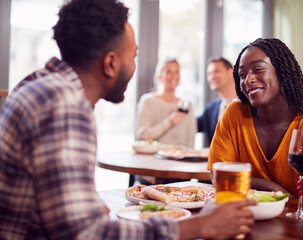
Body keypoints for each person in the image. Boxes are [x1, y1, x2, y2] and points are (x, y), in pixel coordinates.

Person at [0, 0, 256, 239]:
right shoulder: (64, 105)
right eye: (133, 56)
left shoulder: (40, 84)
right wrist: (197, 225)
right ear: (111, 63)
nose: (134, 67)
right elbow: (84, 234)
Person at [207, 38, 303, 206]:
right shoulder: (234, 114)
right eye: (242, 74)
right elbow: (218, 175)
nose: (248, 80)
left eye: (258, 69)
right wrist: (273, 188)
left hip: (301, 226)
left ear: (282, 72)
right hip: (247, 218)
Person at [136, 58, 197, 148]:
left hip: (181, 159)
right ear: (159, 77)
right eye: (168, 72)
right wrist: (169, 122)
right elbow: (142, 135)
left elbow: (190, 141)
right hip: (154, 159)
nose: (173, 76)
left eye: (176, 72)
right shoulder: (148, 101)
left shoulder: (187, 105)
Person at [197, 56, 237, 147]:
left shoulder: (249, 104)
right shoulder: (211, 108)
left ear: (231, 72)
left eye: (216, 71)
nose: (212, 77)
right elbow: (191, 126)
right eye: (209, 74)